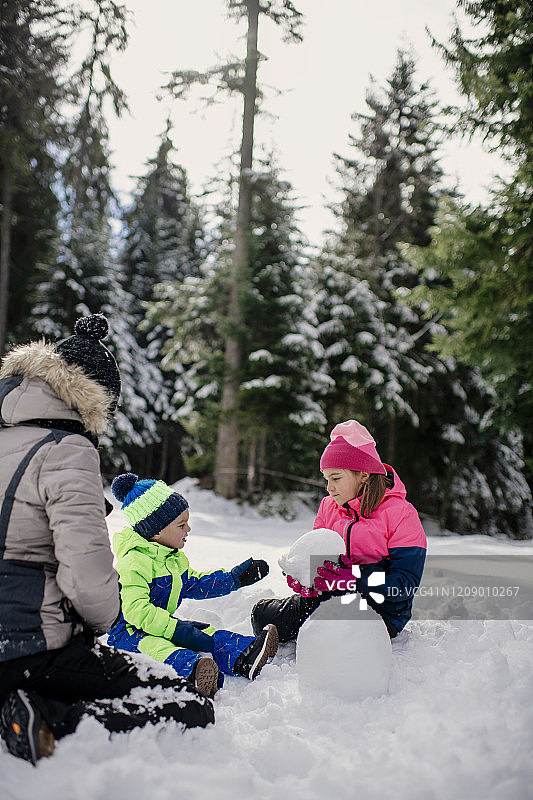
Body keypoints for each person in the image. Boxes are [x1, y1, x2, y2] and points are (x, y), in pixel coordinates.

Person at [0, 314, 213, 766]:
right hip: (32, 644)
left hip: (13, 643)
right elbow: (85, 568)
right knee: (186, 703)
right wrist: (105, 621)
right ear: (93, 398)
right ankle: (48, 716)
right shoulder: (67, 448)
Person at [251, 419, 427, 642]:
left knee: (339, 631)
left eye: (336, 478)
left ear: (363, 474)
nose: (329, 488)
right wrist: (305, 577)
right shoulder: (328, 506)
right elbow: (317, 560)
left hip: (381, 612)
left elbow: (404, 586)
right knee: (262, 616)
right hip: (331, 598)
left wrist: (355, 579)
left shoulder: (401, 514)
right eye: (327, 479)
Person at [107, 472, 279, 698]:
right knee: (160, 650)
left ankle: (245, 655)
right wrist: (176, 630)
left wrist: (234, 578)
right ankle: (192, 674)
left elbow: (197, 583)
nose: (188, 529)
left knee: (205, 633)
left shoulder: (171, 559)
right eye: (181, 525)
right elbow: (137, 611)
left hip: (160, 625)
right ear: (156, 531)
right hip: (129, 635)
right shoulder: (133, 564)